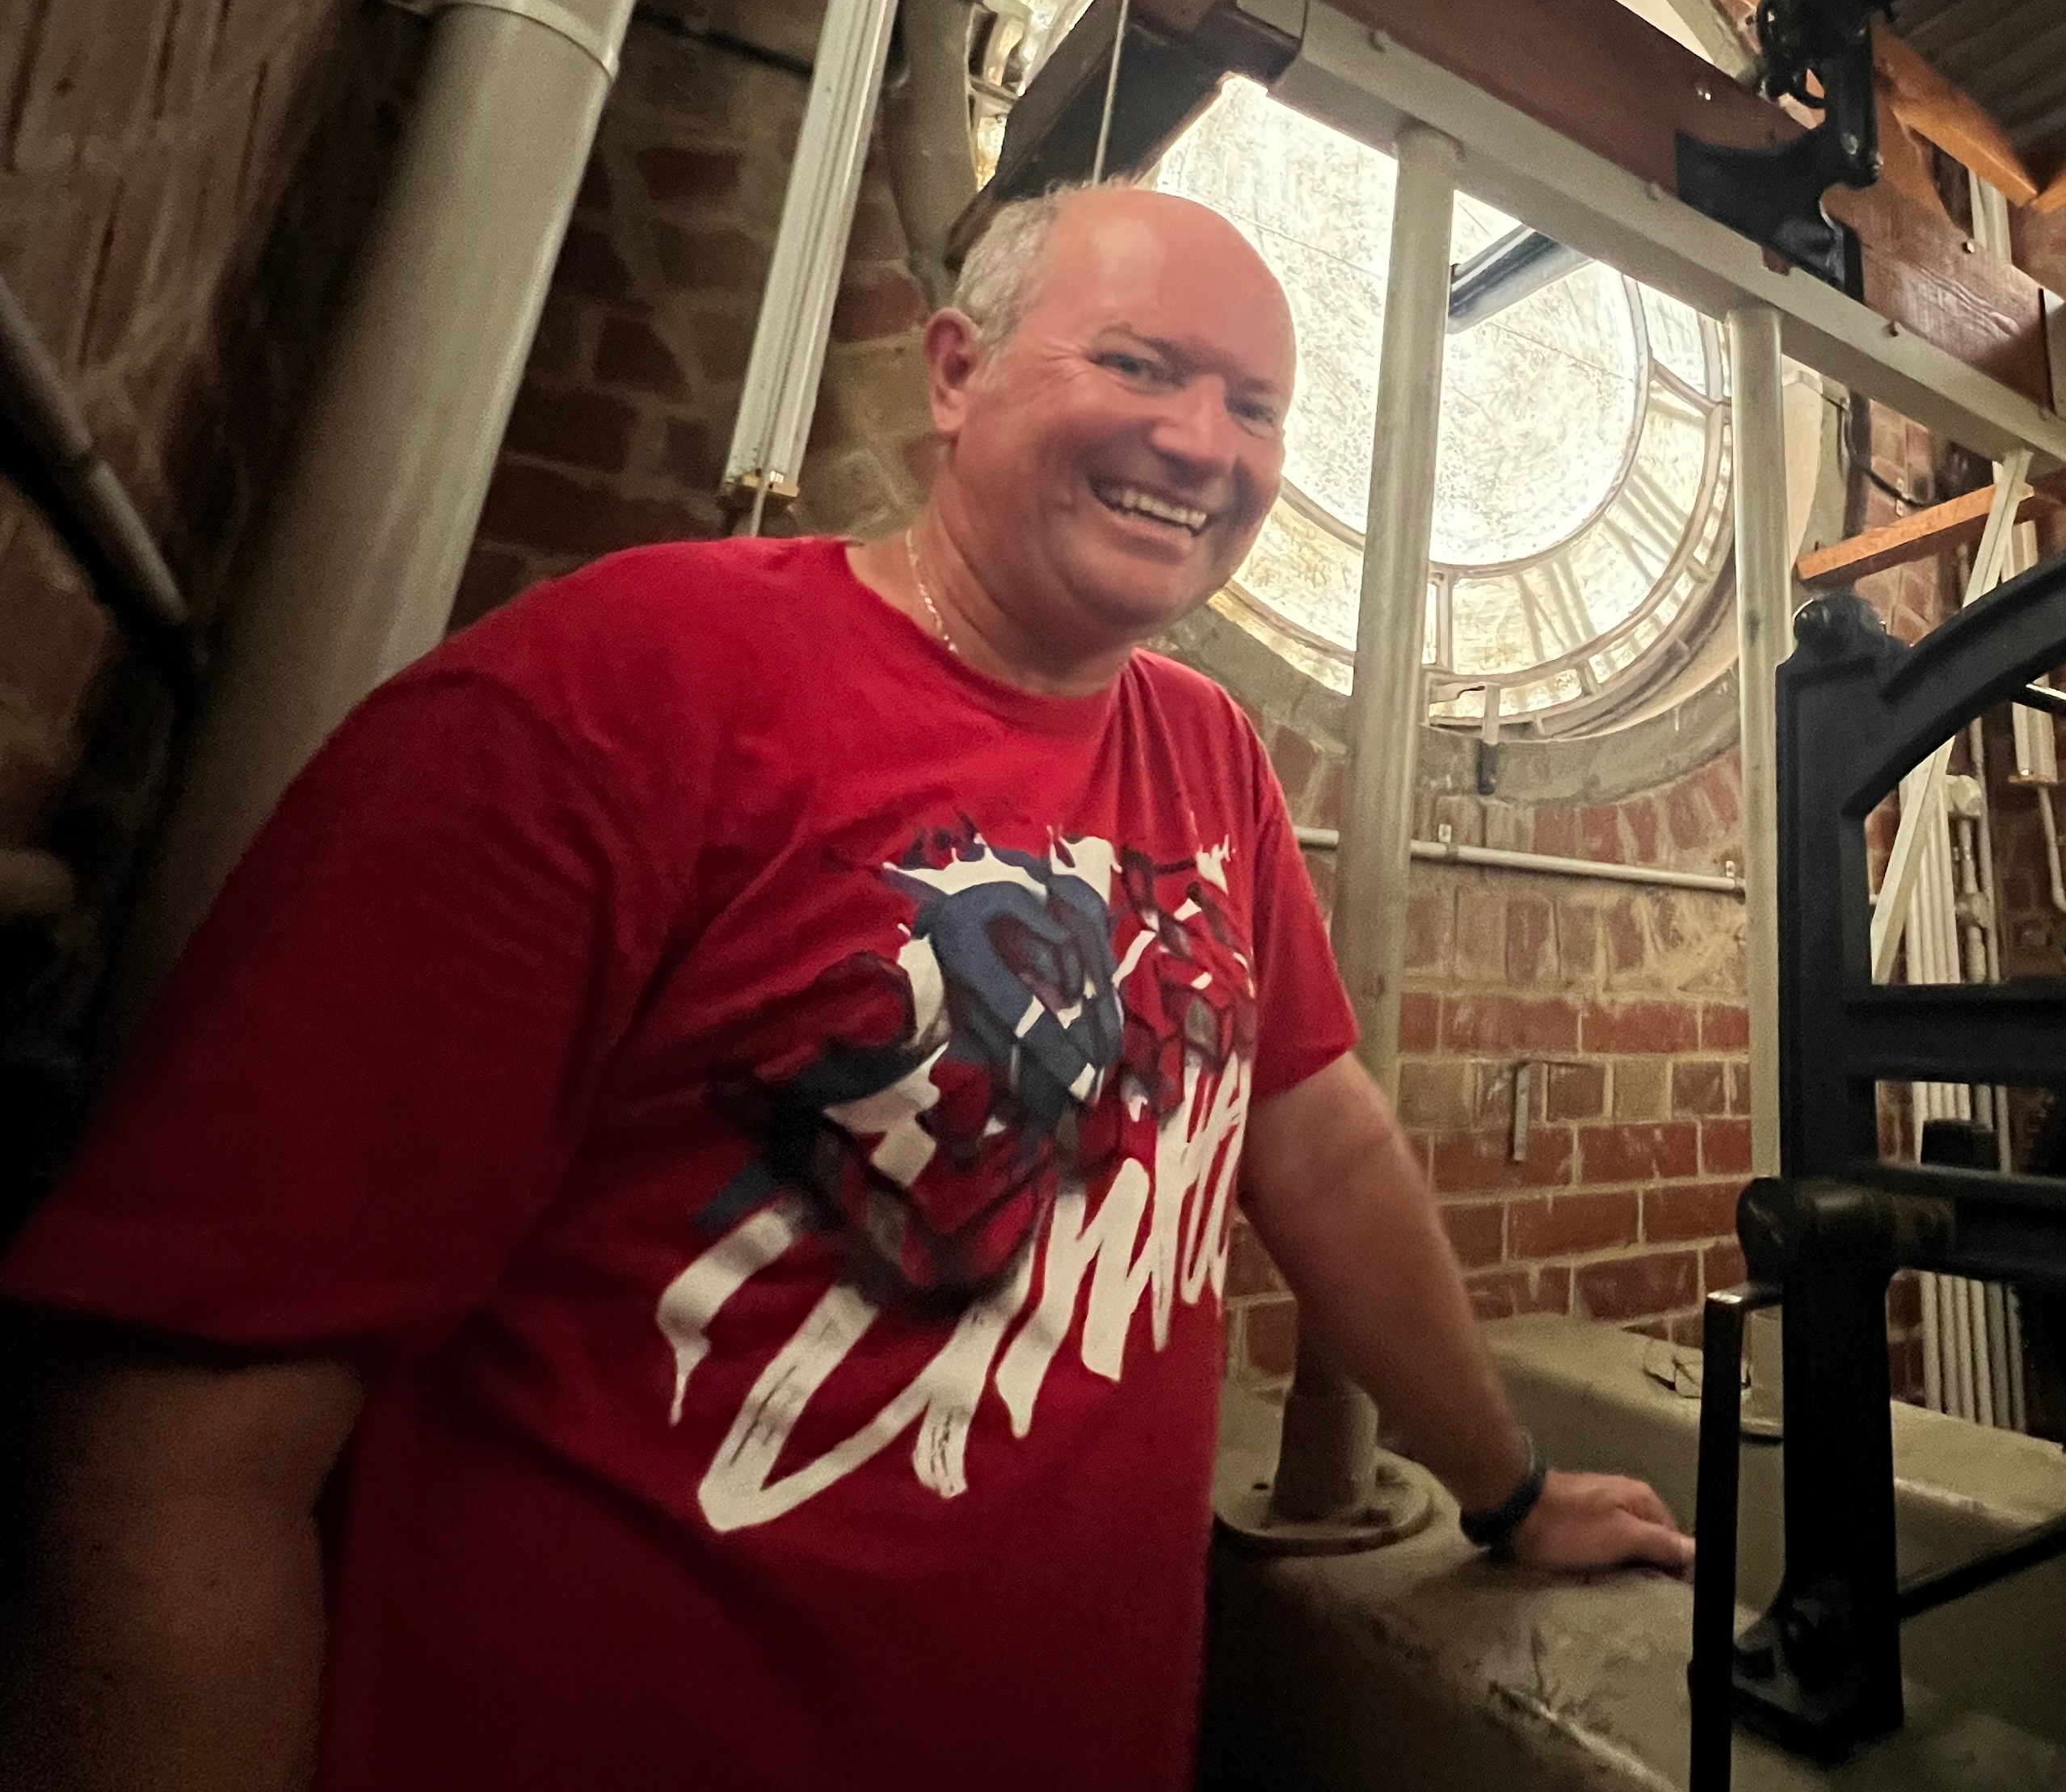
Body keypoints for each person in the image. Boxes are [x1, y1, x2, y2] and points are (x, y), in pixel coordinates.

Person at [2, 184, 1693, 1791]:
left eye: (1255, 409)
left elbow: (1318, 1146)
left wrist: (1511, 1488)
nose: (1202, 445)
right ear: (956, 373)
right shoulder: (619, 695)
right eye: (1137, 365)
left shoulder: (1211, 758)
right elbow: (174, 1441)